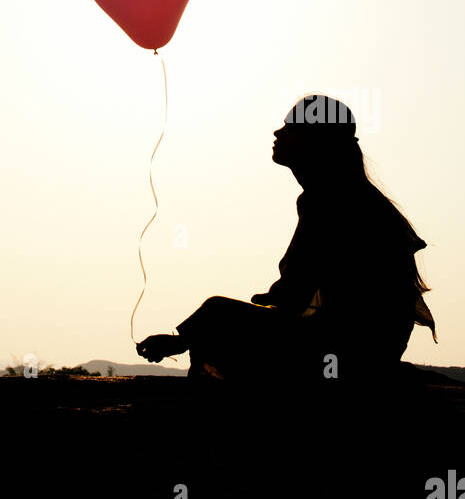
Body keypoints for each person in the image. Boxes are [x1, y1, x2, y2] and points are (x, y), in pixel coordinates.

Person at [136, 95, 436, 386]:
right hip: (369, 350)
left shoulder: (330, 202)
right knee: (223, 315)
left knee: (218, 313)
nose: (278, 132)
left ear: (314, 141)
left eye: (291, 127)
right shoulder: (348, 197)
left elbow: (295, 295)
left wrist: (186, 339)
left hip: (348, 352)